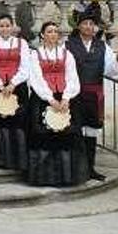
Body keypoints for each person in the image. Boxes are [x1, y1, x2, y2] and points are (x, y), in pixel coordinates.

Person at [27, 22, 88, 187]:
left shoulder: (67, 55)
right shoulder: (35, 55)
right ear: (42, 35)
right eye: (49, 31)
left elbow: (72, 77)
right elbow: (35, 78)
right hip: (43, 99)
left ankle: (67, 176)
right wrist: (50, 99)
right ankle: (44, 177)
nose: (53, 34)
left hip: (65, 97)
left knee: (66, 135)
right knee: (44, 136)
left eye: (55, 31)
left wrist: (67, 98)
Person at [65, 12, 118, 181]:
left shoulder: (103, 47)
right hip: (74, 93)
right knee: (74, 131)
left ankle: (90, 168)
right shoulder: (68, 45)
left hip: (95, 94)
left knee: (91, 133)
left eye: (91, 24)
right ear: (79, 26)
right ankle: (75, 169)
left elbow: (111, 69)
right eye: (85, 23)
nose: (88, 27)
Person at [0, 14, 32, 170]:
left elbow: (25, 67)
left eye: (7, 26)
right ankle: (0, 159)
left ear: (12, 27)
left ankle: (18, 159)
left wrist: (13, 84)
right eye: (1, 26)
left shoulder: (22, 43)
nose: (4, 29)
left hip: (17, 87)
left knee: (17, 121)